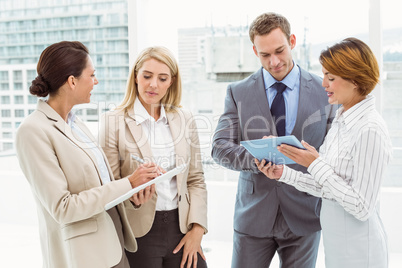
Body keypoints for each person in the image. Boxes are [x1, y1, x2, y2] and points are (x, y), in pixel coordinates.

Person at [15, 41, 159, 268]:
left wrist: (131, 194)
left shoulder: (77, 124)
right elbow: (63, 208)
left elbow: (100, 186)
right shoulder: (32, 131)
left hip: (114, 241)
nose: (96, 81)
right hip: (85, 256)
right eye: (91, 75)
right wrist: (127, 182)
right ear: (72, 81)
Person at [211, 12, 337, 268]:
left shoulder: (325, 92)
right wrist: (258, 159)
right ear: (254, 51)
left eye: (279, 50)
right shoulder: (238, 92)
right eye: (264, 55)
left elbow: (334, 150)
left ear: (292, 41)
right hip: (253, 215)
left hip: (305, 214)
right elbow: (219, 148)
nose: (274, 61)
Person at [256, 37, 392, 268]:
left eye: (331, 78)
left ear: (355, 80)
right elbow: (328, 189)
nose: (323, 84)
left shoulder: (370, 128)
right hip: (338, 246)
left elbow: (361, 206)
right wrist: (283, 173)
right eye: (324, 75)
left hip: (361, 251)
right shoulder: (341, 121)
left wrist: (315, 164)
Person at [99, 46, 208, 268]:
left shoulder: (184, 118)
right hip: (139, 234)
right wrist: (132, 198)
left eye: (162, 78)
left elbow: (195, 179)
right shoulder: (113, 122)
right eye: (147, 76)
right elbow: (107, 186)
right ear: (136, 77)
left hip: (183, 228)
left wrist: (198, 229)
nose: (153, 85)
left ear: (172, 81)